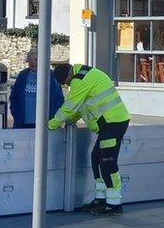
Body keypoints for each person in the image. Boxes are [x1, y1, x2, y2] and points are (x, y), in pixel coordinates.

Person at [48, 64, 131, 216]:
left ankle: (114, 204)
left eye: (66, 83)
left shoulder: (81, 79)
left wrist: (50, 125)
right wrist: (71, 120)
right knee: (96, 159)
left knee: (107, 162)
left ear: (67, 76)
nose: (67, 85)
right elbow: (80, 108)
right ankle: (100, 199)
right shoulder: (85, 75)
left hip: (113, 124)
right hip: (111, 124)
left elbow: (70, 107)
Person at [10, 48, 64, 129]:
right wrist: (16, 114)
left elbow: (59, 99)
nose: (33, 62)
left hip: (46, 123)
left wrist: (55, 118)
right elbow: (14, 97)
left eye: (36, 59)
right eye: (30, 60)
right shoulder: (22, 75)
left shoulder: (51, 76)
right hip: (23, 123)